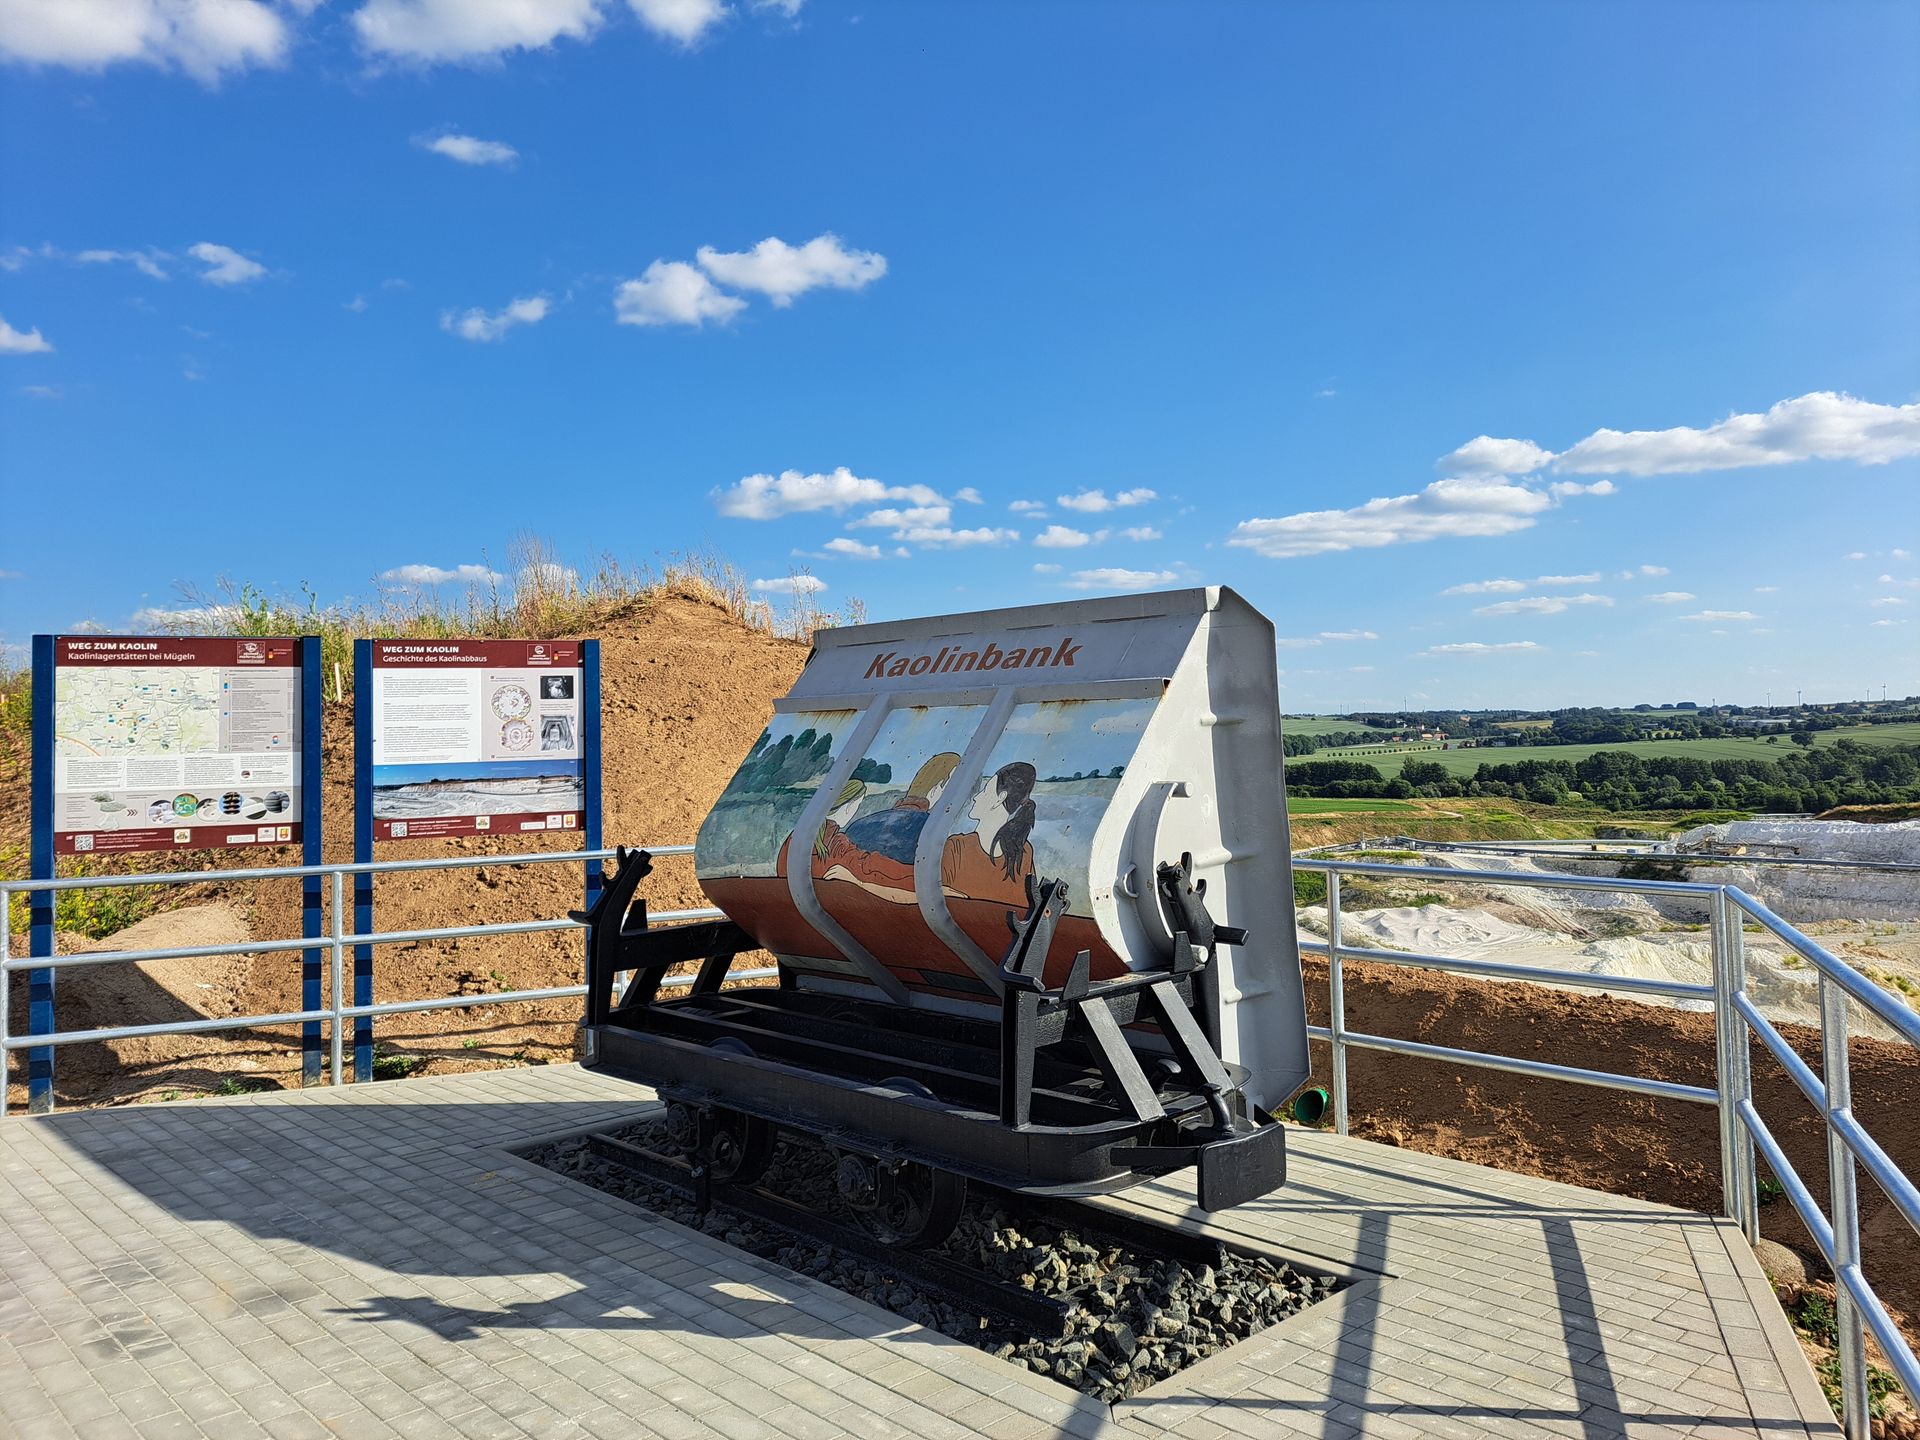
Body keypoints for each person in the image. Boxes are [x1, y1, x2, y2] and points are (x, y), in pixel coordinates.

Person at [940, 761, 1037, 907]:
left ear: (1000, 798)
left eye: (985, 791)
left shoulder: (957, 847)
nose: (976, 797)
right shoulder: (1024, 850)